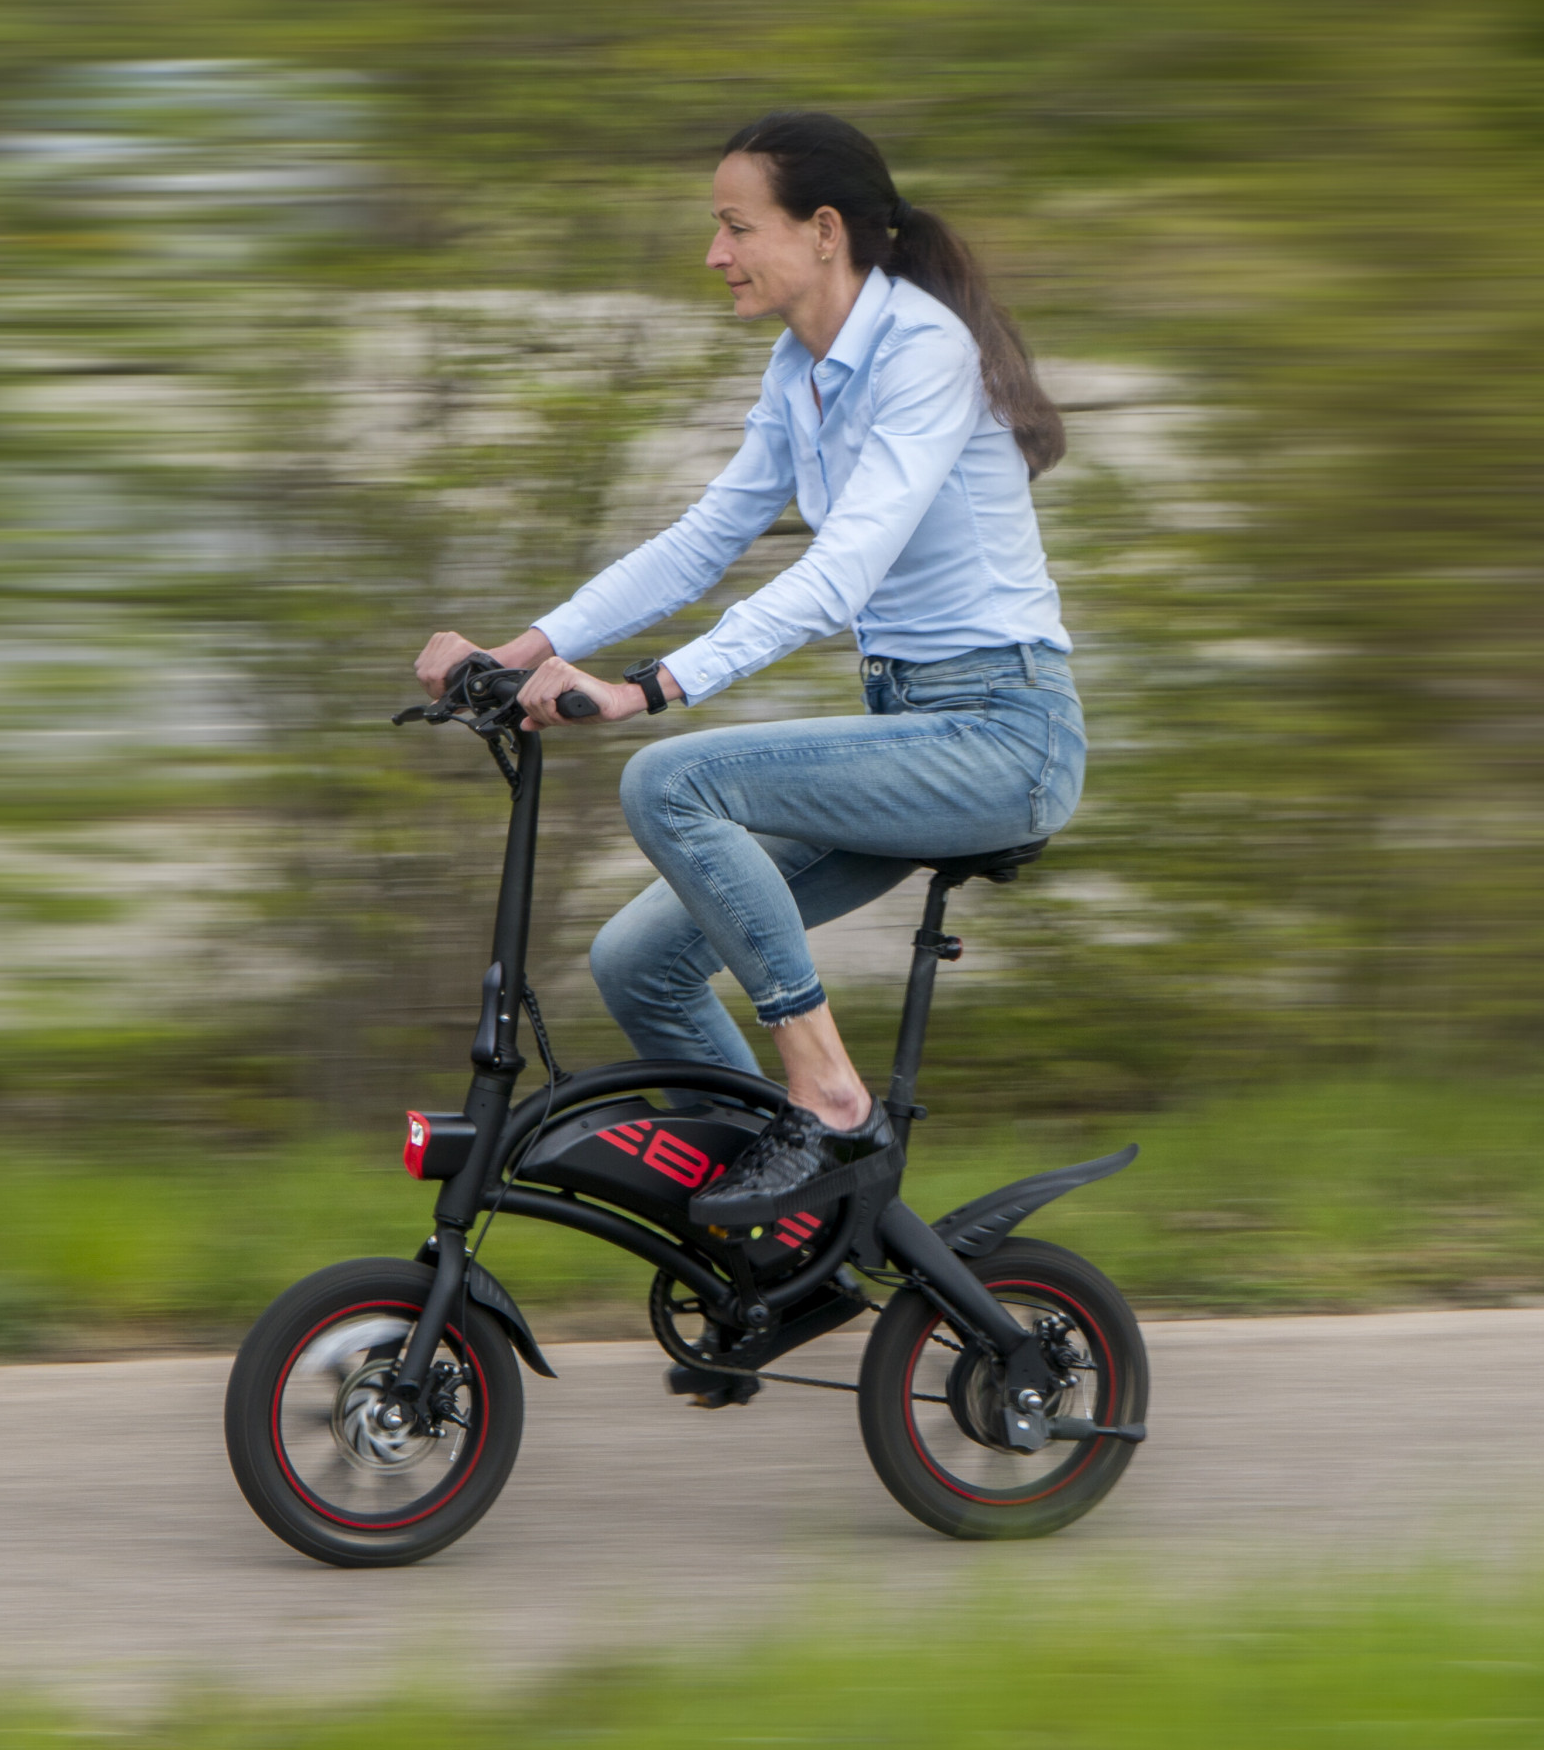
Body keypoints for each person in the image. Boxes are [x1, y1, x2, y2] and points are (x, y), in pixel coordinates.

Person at [412, 109, 1081, 1223]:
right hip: (908, 731)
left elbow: (842, 572)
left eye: (735, 226)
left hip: (1002, 737)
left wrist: (648, 687)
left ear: (823, 231)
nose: (713, 252)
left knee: (671, 779)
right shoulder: (799, 368)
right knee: (638, 964)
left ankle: (827, 1096)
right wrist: (522, 648)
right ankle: (801, 1237)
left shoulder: (924, 352)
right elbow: (702, 540)